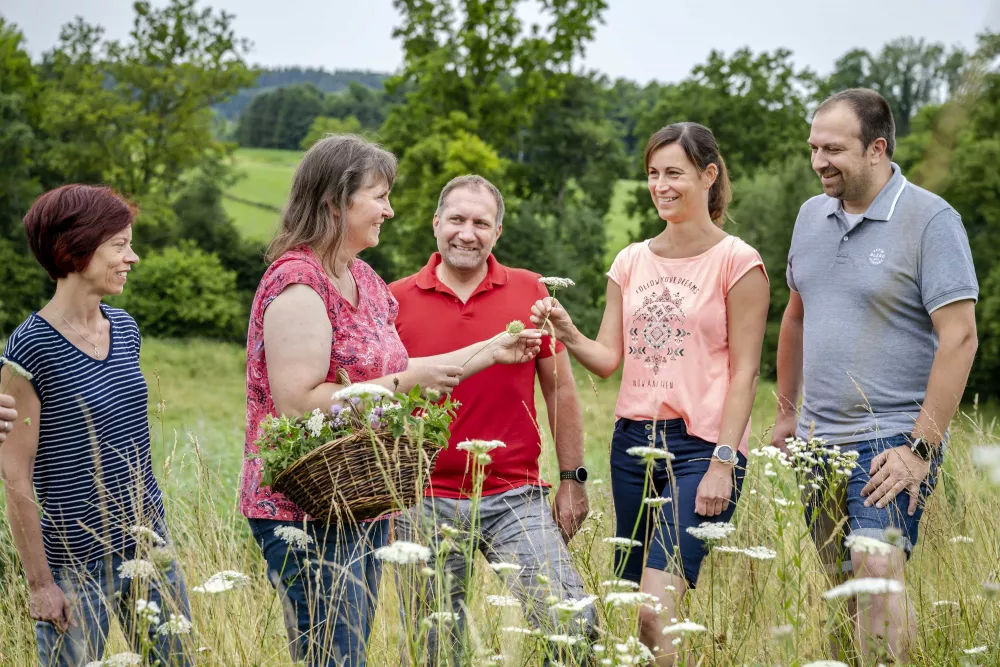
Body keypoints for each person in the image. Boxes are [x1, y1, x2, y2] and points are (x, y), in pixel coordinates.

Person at [240, 135, 542, 667]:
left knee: (348, 653)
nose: (389, 209)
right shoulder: (298, 284)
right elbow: (299, 404)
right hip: (304, 510)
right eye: (379, 196)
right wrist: (408, 381)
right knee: (333, 657)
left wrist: (494, 349)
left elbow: (400, 373)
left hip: (359, 500)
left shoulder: (363, 278)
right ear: (336, 202)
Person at [531, 122, 769, 664]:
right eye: (653, 174)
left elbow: (746, 373)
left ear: (708, 175)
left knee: (653, 611)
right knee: (635, 609)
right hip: (631, 445)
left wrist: (724, 461)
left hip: (701, 448)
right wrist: (569, 332)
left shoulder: (738, 262)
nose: (661, 185)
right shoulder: (630, 261)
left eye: (674, 173)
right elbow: (608, 360)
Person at [772, 88, 979, 662]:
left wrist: (921, 448)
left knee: (874, 571)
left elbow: (960, 337)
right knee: (842, 587)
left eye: (833, 149)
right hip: (817, 441)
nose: (819, 162)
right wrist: (787, 413)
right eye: (814, 148)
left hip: (891, 438)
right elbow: (796, 316)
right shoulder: (810, 216)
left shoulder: (931, 220)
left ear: (877, 149)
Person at [389, 175, 594, 662]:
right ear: (436, 223)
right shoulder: (393, 299)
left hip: (514, 496)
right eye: (457, 219)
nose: (467, 233)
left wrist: (572, 478)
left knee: (572, 625)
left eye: (481, 223)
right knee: (437, 648)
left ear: (497, 232)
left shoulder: (531, 290)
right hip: (421, 499)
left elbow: (560, 388)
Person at [0, 185, 192, 666]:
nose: (133, 257)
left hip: (149, 545)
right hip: (76, 567)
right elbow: (16, 476)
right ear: (77, 247)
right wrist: (41, 585)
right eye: (120, 245)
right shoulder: (30, 349)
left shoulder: (125, 328)